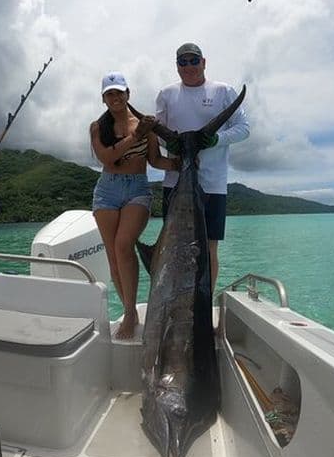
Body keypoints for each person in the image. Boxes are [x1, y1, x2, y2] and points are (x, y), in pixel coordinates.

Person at [90, 71, 179, 339]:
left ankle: (130, 313)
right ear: (104, 99)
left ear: (128, 94)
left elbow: (155, 161)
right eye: (110, 94)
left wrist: (180, 162)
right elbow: (106, 158)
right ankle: (131, 311)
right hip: (107, 190)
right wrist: (134, 136)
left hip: (138, 189)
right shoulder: (98, 127)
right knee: (113, 255)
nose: (116, 97)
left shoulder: (145, 125)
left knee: (123, 244)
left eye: (120, 92)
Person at [156, 42, 250, 289]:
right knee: (174, 246)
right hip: (175, 183)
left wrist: (217, 139)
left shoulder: (223, 91)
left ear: (204, 62)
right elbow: (155, 135)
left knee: (209, 247)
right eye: (183, 62)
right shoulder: (166, 94)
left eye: (193, 61)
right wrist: (171, 147)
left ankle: (204, 309)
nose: (189, 66)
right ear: (177, 66)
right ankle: (177, 303)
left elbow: (244, 128)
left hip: (213, 184)